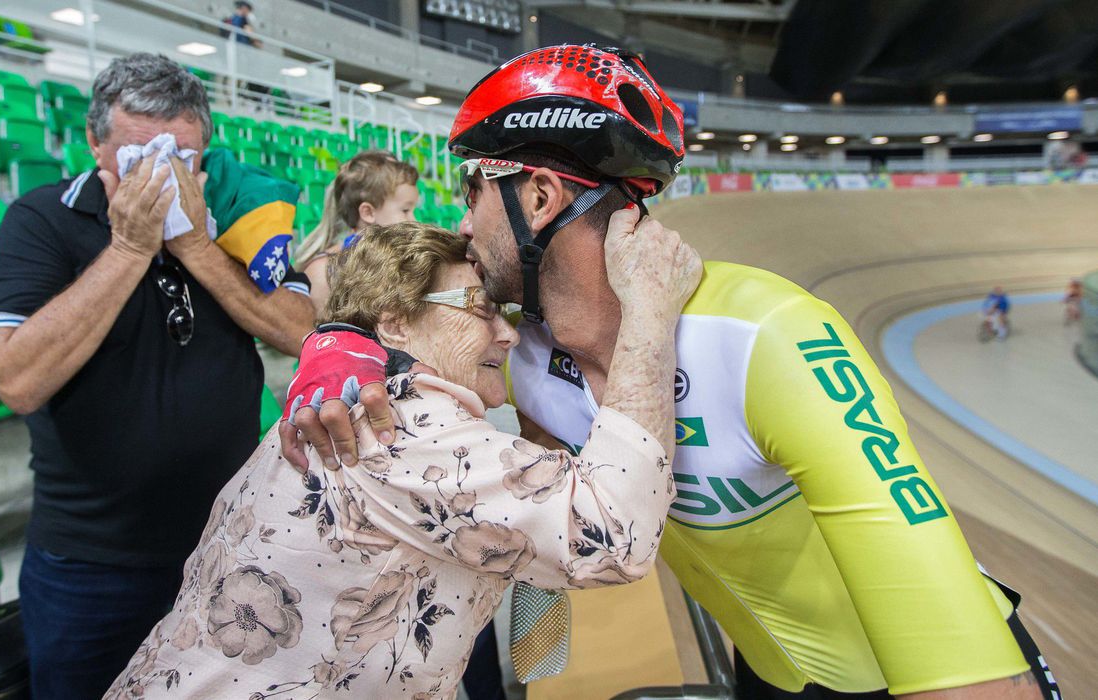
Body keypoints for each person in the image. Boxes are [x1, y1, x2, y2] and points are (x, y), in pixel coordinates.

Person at [283, 44, 1058, 699]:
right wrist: (339, 348)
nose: (461, 221)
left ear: (540, 197)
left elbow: (960, 663)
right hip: (767, 677)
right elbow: (389, 302)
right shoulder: (521, 352)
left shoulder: (766, 337)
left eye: (473, 190)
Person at [104, 219, 700, 698]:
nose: (510, 335)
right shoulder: (397, 426)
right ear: (393, 323)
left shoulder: (364, 397)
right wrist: (649, 310)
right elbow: (613, 535)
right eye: (481, 306)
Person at [0, 53, 314, 698]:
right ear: (93, 144)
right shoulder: (42, 219)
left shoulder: (238, 211)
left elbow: (301, 332)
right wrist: (131, 247)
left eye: (181, 158)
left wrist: (193, 243)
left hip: (228, 540)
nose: (162, 175)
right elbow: (18, 381)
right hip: (93, 561)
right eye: (139, 158)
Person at [294, 150, 420, 317]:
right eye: (405, 210)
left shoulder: (409, 263)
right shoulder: (325, 271)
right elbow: (311, 337)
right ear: (368, 213)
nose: (415, 220)